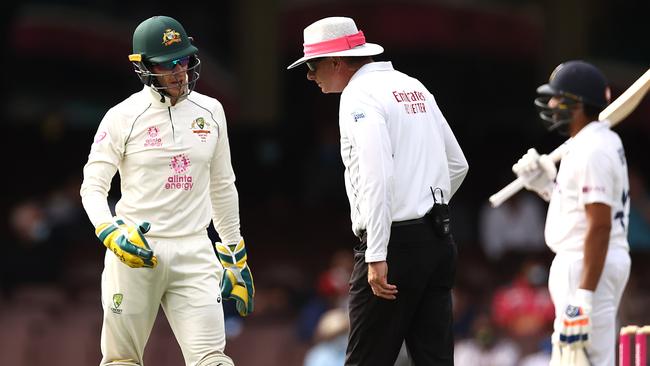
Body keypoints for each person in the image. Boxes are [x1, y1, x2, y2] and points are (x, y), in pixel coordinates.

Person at [287, 16, 469, 365]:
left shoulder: (358, 96)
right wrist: (426, 207)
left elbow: (377, 176)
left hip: (392, 247)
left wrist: (377, 252)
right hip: (438, 241)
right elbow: (458, 164)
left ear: (336, 61)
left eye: (312, 66)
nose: (310, 76)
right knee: (435, 359)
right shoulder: (412, 85)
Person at [80, 15, 254, 366]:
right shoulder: (121, 116)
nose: (180, 72)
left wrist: (235, 253)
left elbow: (222, 186)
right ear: (143, 67)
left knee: (213, 359)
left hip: (194, 248)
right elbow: (93, 187)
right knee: (121, 361)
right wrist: (111, 232)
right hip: (136, 250)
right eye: (168, 65)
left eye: (184, 60)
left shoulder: (211, 111)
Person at [512, 60, 631, 366]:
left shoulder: (593, 149)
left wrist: (585, 294)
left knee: (585, 359)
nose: (551, 104)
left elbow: (600, 225)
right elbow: (580, 209)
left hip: (588, 264)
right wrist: (545, 185)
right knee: (570, 357)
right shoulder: (593, 142)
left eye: (557, 97)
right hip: (588, 261)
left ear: (576, 104)